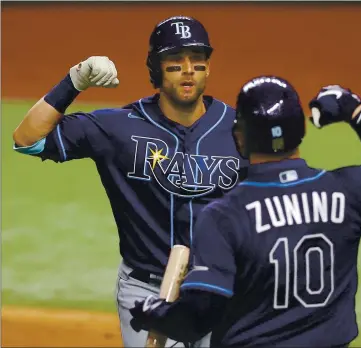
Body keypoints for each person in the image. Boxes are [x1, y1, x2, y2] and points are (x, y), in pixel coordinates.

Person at [128, 76, 361, 347]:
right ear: (302, 130)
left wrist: (154, 311)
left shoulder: (224, 217)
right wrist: (355, 112)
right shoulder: (351, 191)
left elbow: (196, 320)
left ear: (239, 137)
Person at [12, 16, 248, 348]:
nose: (188, 69)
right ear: (156, 68)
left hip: (221, 288)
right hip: (147, 290)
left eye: (197, 60)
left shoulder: (239, 128)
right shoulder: (119, 128)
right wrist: (74, 81)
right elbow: (28, 139)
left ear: (208, 67)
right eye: (175, 61)